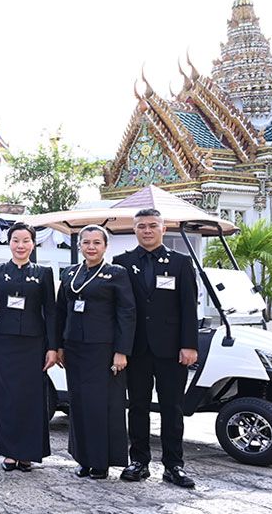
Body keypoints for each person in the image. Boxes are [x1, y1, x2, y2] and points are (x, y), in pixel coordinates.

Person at [113, 208, 198, 488]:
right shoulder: (121, 263)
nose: (147, 230)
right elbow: (118, 309)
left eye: (152, 225)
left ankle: (174, 466)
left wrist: (189, 345)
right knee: (137, 406)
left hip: (171, 350)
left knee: (171, 408)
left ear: (163, 228)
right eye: (141, 226)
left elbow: (188, 307)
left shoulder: (181, 263)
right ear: (133, 229)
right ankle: (139, 461)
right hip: (135, 348)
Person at [54, 224, 136, 480]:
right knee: (78, 404)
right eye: (86, 242)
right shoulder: (69, 273)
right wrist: (58, 346)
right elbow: (60, 312)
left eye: (96, 243)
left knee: (102, 405)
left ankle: (101, 461)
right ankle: (84, 458)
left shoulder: (116, 274)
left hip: (104, 350)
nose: (90, 247)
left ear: (105, 246)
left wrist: (122, 351)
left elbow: (127, 314)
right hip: (74, 349)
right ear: (79, 246)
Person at [0, 222, 57, 472]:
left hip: (34, 344)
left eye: (25, 240)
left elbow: (51, 312)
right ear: (9, 242)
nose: (20, 245)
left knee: (32, 399)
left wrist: (53, 347)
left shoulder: (43, 273)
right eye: (16, 240)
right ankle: (9, 453)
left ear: (33, 243)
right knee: (6, 398)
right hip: (3, 344)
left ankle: (28, 453)